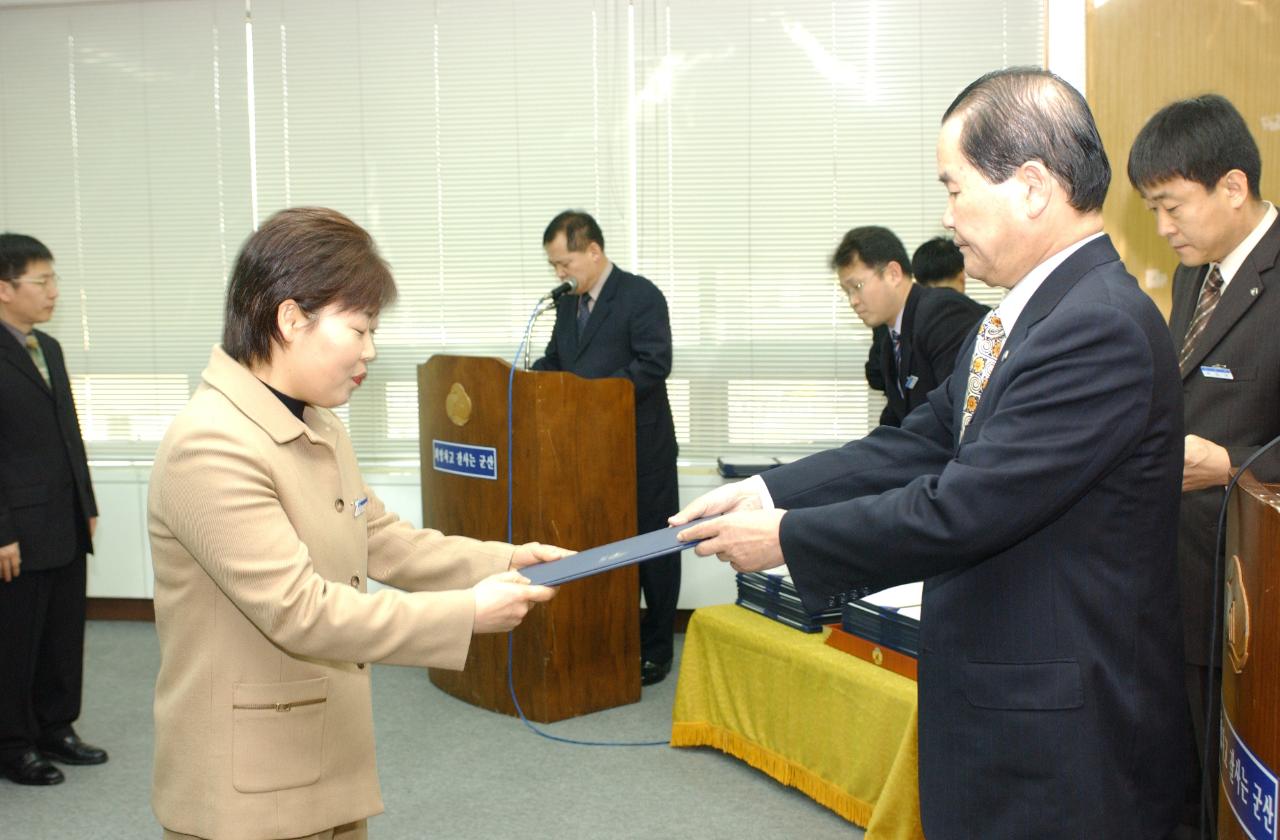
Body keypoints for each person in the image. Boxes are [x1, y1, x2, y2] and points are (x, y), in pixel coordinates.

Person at [673, 68, 1190, 838]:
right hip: (1006, 699)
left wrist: (784, 540)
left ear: (1032, 186)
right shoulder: (1013, 321)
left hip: (1064, 735)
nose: (945, 216)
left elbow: (961, 507)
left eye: (954, 187)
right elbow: (916, 445)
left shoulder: (1098, 326)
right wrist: (769, 493)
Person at [148, 207, 560, 840]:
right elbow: (299, 610)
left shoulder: (317, 422)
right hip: (249, 784)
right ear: (291, 318)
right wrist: (465, 614)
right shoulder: (211, 444)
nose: (371, 350)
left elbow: (378, 538)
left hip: (321, 749)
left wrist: (503, 562)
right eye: (360, 328)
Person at [1128, 93, 1280, 833]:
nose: (1162, 229)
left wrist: (1231, 462)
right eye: (1151, 209)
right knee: (1182, 773)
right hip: (1180, 576)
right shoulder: (1198, 272)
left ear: (1232, 187)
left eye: (1171, 206)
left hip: (1254, 584)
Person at [531, 210, 680, 686]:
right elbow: (559, 360)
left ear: (593, 251)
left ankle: (656, 649)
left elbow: (654, 364)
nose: (560, 274)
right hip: (587, 450)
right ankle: (612, 638)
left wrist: (595, 398)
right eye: (554, 266)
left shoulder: (641, 295)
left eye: (565, 263)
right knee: (602, 542)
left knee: (653, 547)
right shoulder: (567, 305)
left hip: (641, 446)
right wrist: (530, 375)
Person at [0, 233, 106, 787]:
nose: (53, 292)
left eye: (53, 280)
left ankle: (56, 728)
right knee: (16, 640)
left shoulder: (49, 348)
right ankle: (13, 744)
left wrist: (85, 502)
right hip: (14, 528)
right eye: (42, 281)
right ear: (3, 288)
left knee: (63, 633)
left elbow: (69, 433)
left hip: (63, 518)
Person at [841, 226, 986, 427]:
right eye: (846, 291)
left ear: (893, 274)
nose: (853, 301)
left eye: (857, 286)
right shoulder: (891, 336)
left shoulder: (942, 314)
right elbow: (894, 419)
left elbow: (952, 418)